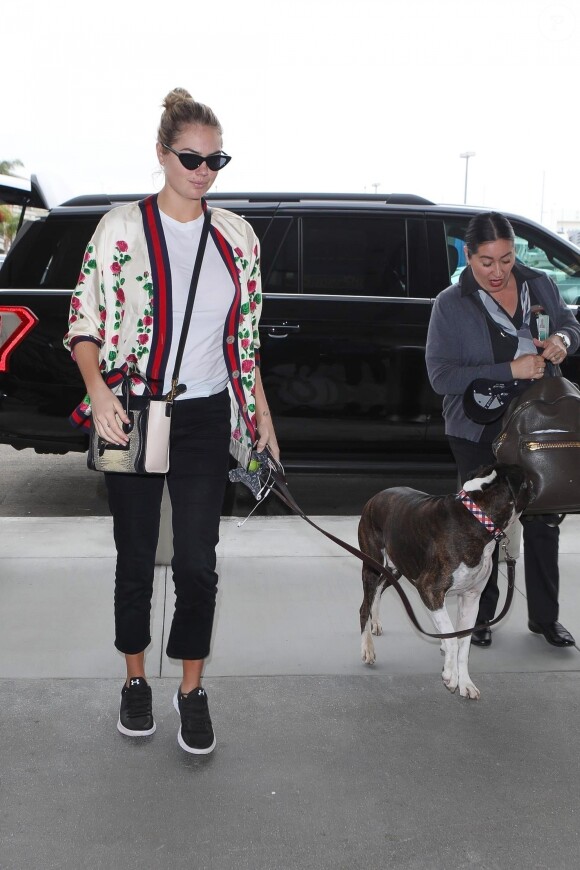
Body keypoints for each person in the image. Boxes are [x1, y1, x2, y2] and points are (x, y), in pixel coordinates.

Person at [64, 87, 279, 754]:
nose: (203, 170)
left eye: (217, 159)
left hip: (207, 416)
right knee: (134, 556)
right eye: (191, 156)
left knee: (196, 563)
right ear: (162, 154)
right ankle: (135, 681)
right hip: (130, 410)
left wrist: (262, 418)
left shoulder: (238, 238)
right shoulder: (121, 229)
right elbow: (84, 320)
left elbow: (245, 342)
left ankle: (191, 688)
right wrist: (98, 391)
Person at [426, 211, 580, 648]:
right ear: (468, 257)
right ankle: (481, 617)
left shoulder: (540, 284)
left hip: (538, 422)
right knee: (481, 526)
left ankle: (545, 619)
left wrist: (563, 342)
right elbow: (440, 376)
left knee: (544, 520)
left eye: (507, 259)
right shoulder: (450, 304)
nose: (498, 272)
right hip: (477, 428)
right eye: (486, 262)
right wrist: (507, 368)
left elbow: (571, 325)